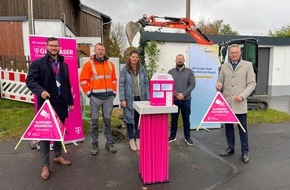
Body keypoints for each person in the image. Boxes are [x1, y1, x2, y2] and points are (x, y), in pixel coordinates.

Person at [26, 37, 74, 180]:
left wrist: (70, 100)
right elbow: (30, 81)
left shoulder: (63, 65)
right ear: (46, 47)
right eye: (51, 46)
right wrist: (41, 91)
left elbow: (67, 83)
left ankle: (58, 156)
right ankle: (45, 165)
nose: (54, 48)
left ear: (59, 48)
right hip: (47, 105)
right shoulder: (38, 63)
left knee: (59, 132)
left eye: (56, 46)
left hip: (61, 103)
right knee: (46, 136)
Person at [216, 44, 256, 163]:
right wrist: (219, 85)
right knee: (228, 128)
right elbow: (220, 80)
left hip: (240, 103)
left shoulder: (248, 65)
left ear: (240, 53)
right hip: (227, 103)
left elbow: (252, 84)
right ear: (229, 53)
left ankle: (245, 151)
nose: (233, 54)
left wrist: (242, 95)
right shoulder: (224, 66)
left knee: (242, 129)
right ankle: (230, 148)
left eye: (236, 52)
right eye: (232, 53)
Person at [80, 43, 117, 155]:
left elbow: (114, 79)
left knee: (108, 122)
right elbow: (83, 80)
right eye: (98, 49)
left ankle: (109, 143)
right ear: (95, 51)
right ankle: (94, 144)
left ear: (104, 51)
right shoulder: (88, 64)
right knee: (94, 122)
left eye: (102, 49)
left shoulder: (110, 64)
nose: (100, 51)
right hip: (95, 97)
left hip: (108, 98)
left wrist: (113, 93)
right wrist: (89, 94)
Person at [119, 50, 149, 151]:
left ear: (138, 58)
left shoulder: (142, 69)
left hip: (141, 99)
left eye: (136, 57)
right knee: (129, 120)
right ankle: (131, 140)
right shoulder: (124, 70)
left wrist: (148, 97)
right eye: (133, 57)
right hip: (129, 99)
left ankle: (138, 139)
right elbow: (121, 85)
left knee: (139, 120)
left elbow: (146, 84)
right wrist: (122, 99)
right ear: (129, 58)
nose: (134, 59)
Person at [168, 54, 196, 145]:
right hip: (174, 100)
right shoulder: (170, 72)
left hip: (186, 100)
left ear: (184, 60)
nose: (179, 60)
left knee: (186, 119)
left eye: (181, 59)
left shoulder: (189, 71)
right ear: (175, 61)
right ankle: (172, 136)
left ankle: (187, 137)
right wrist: (176, 95)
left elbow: (192, 84)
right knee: (174, 119)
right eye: (178, 59)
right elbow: (168, 85)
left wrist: (183, 94)